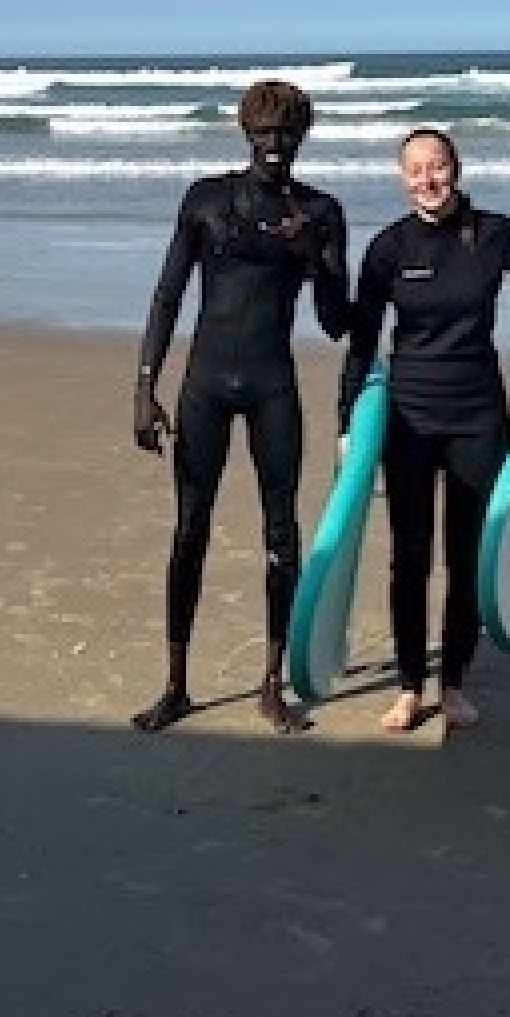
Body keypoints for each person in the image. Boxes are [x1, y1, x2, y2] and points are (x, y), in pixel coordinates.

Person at [131, 78, 350, 733]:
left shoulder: (321, 212)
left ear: (303, 137)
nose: (275, 145)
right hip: (203, 384)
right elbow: (168, 295)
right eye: (264, 132)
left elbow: (337, 321)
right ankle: (175, 685)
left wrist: (312, 252)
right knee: (189, 530)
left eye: (287, 133)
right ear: (245, 133)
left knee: (281, 535)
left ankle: (271, 684)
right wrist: (145, 388)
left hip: (270, 387)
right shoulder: (208, 199)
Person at [340, 127, 510, 732]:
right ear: (402, 179)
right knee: (410, 555)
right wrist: (350, 417)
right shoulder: (387, 249)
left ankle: (452, 683)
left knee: (467, 553)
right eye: (416, 169)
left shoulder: (495, 234)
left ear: (457, 168)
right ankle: (407, 685)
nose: (429, 179)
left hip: (478, 413)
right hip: (409, 416)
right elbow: (364, 338)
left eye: (439, 166)